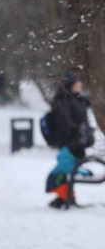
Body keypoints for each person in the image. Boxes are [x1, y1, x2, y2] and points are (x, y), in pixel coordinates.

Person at [45, 71, 94, 208]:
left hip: (76, 144)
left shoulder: (78, 100)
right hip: (69, 144)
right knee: (64, 171)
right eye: (76, 82)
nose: (80, 84)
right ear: (69, 84)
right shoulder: (63, 102)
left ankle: (65, 198)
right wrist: (75, 141)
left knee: (68, 171)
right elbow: (65, 127)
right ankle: (64, 198)